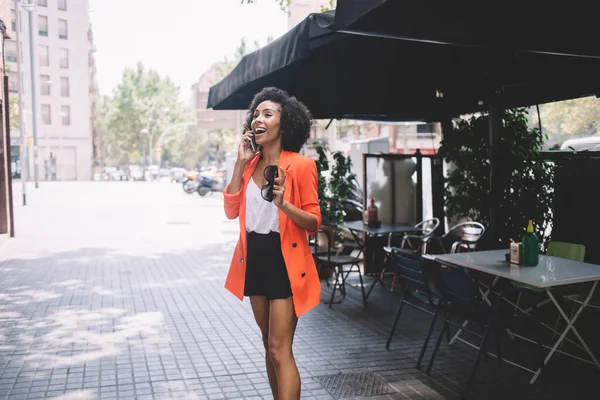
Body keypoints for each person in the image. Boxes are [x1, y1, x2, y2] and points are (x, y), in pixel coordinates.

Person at [222, 87, 321, 400]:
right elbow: (230, 210)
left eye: (268, 113)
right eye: (256, 113)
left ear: (284, 123)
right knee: (268, 344)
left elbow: (314, 222)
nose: (258, 118)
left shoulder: (302, 166)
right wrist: (239, 163)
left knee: (280, 349)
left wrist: (284, 205)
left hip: (286, 262)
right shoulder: (249, 165)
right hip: (255, 259)